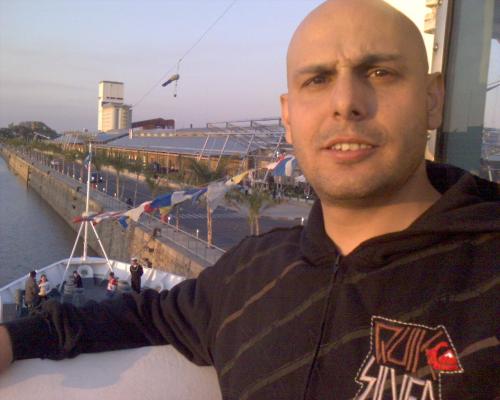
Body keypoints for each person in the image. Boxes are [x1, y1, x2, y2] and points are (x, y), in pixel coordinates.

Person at [0, 1, 498, 398]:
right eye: (317, 79)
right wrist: (16, 338)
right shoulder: (249, 274)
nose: (346, 102)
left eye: (380, 72)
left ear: (433, 98)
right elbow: (147, 315)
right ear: (288, 116)